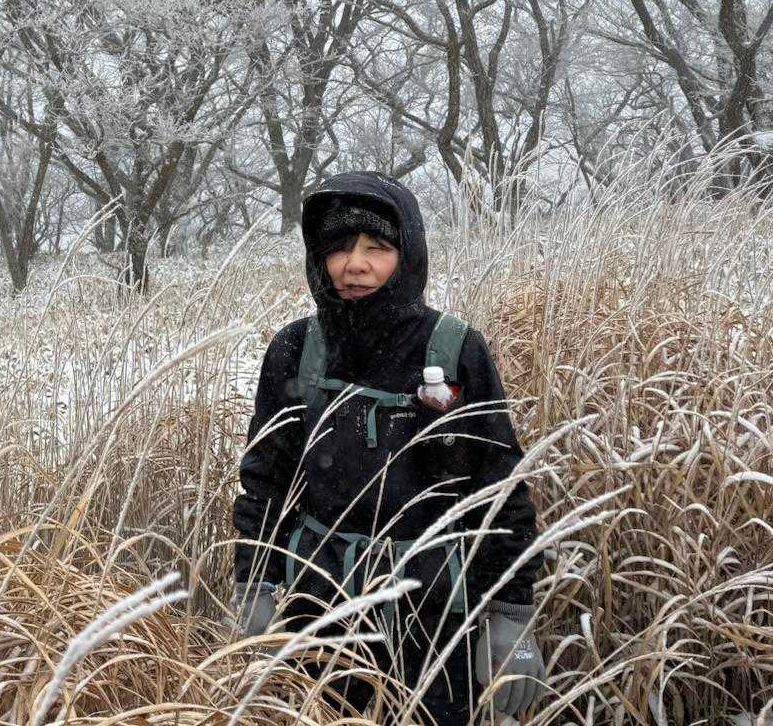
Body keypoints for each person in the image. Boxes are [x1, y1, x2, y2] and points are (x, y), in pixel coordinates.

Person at [227, 170, 546, 724]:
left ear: (408, 254)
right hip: (319, 602)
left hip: (434, 609)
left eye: (376, 247)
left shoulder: (455, 349)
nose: (355, 264)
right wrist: (255, 582)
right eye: (339, 247)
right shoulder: (297, 348)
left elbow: (498, 484)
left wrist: (512, 615)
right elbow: (266, 479)